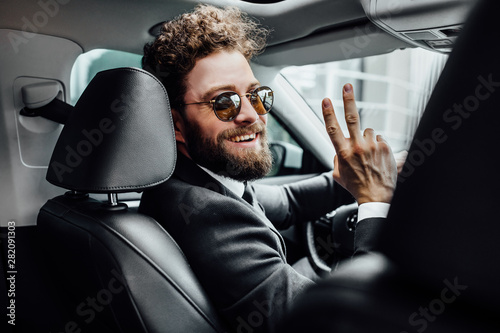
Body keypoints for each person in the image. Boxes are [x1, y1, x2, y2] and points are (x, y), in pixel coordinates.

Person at [139, 4, 398, 333]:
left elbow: (288, 202)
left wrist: (353, 176)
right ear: (176, 125)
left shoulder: (189, 185)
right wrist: (376, 201)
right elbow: (345, 325)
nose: (251, 114)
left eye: (256, 95)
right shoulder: (206, 215)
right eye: (224, 102)